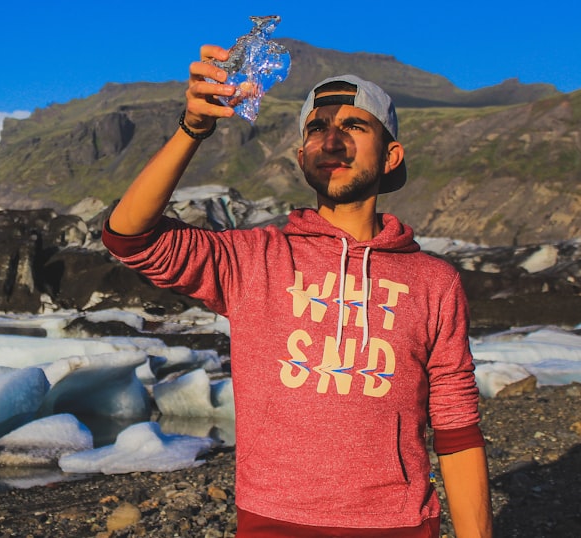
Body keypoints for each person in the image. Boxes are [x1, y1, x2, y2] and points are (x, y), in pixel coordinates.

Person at [102, 45, 493, 537]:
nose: (332, 141)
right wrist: (193, 128)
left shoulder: (435, 281)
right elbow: (129, 237)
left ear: (391, 155)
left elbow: (457, 427)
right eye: (316, 129)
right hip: (274, 520)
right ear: (300, 155)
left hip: (397, 523)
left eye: (354, 126)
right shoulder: (254, 259)